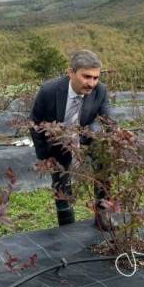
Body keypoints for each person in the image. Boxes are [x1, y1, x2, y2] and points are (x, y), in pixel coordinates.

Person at [30, 49, 111, 227]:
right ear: (71, 73)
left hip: (86, 136)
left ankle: (103, 213)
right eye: (86, 77)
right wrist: (44, 156)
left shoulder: (101, 91)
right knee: (61, 183)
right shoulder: (49, 91)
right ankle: (66, 223)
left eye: (95, 78)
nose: (92, 83)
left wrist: (97, 135)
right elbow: (35, 124)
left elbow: (108, 121)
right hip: (58, 140)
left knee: (105, 158)